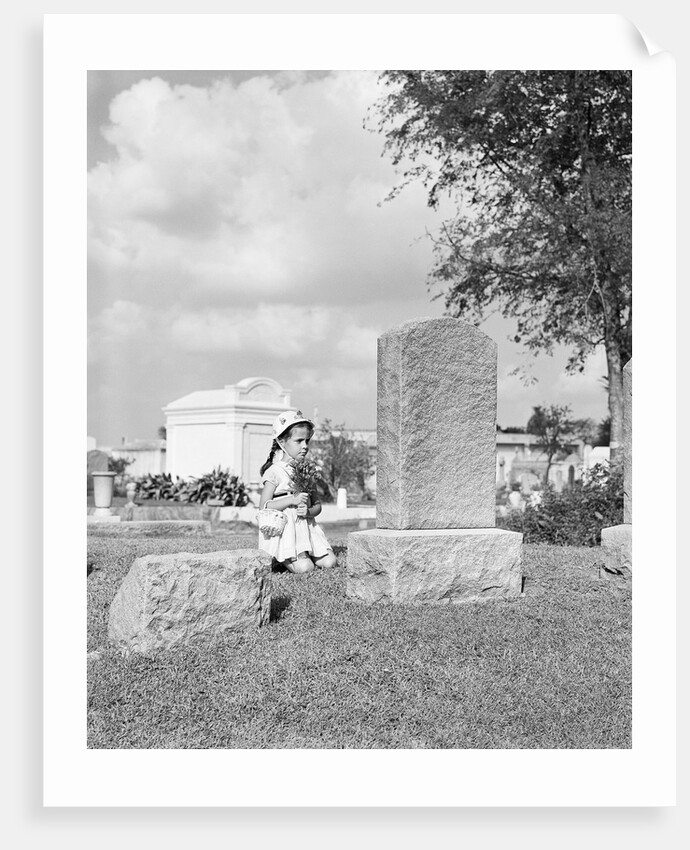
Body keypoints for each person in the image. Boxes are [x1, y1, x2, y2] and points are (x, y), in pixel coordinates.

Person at [258, 410, 337, 574]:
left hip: (306, 528)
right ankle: (282, 557)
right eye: (299, 441)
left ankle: (306, 552)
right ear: (281, 441)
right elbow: (264, 507)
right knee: (305, 568)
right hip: (286, 532)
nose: (305, 446)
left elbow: (317, 505)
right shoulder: (275, 471)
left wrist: (308, 512)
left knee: (330, 562)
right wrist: (291, 500)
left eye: (307, 440)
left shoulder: (308, 470)